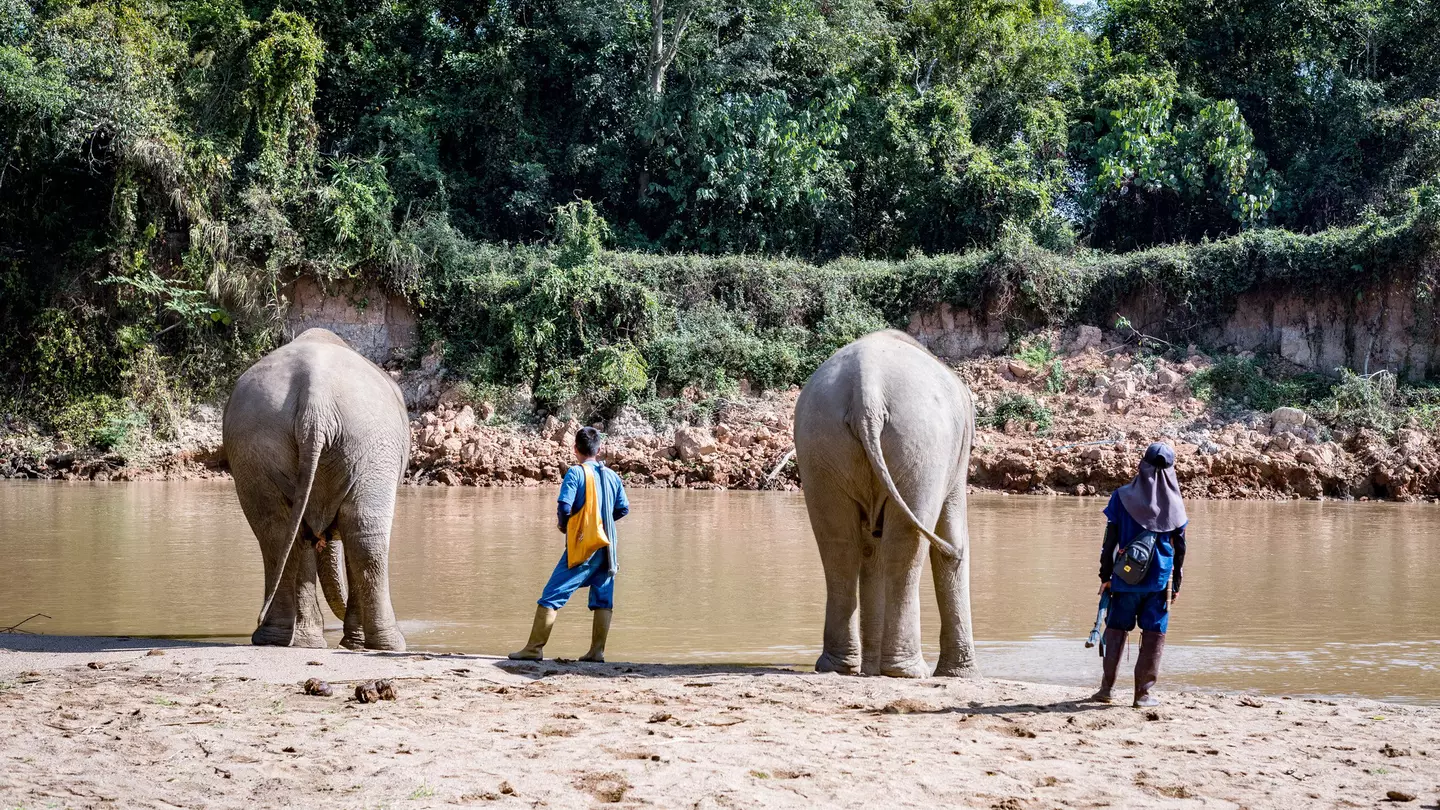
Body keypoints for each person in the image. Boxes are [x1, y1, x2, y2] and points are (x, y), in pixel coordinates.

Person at [509, 426, 629, 663]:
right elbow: (623, 508)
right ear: (599, 449)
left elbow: (565, 506)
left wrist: (566, 526)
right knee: (603, 597)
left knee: (552, 594)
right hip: (608, 547)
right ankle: (597, 652)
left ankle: (534, 649)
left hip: (585, 545)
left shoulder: (576, 473)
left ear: (575, 449)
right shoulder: (612, 476)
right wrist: (602, 522)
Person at [1091, 442, 1188, 707]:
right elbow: (1180, 550)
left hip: (1124, 579)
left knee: (1116, 629)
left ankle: (1106, 690)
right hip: (1159, 582)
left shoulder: (1121, 497)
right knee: (1154, 632)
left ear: (1142, 464)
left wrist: (1105, 577)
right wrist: (1176, 585)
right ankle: (1142, 695)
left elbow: (1109, 542)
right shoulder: (1175, 504)